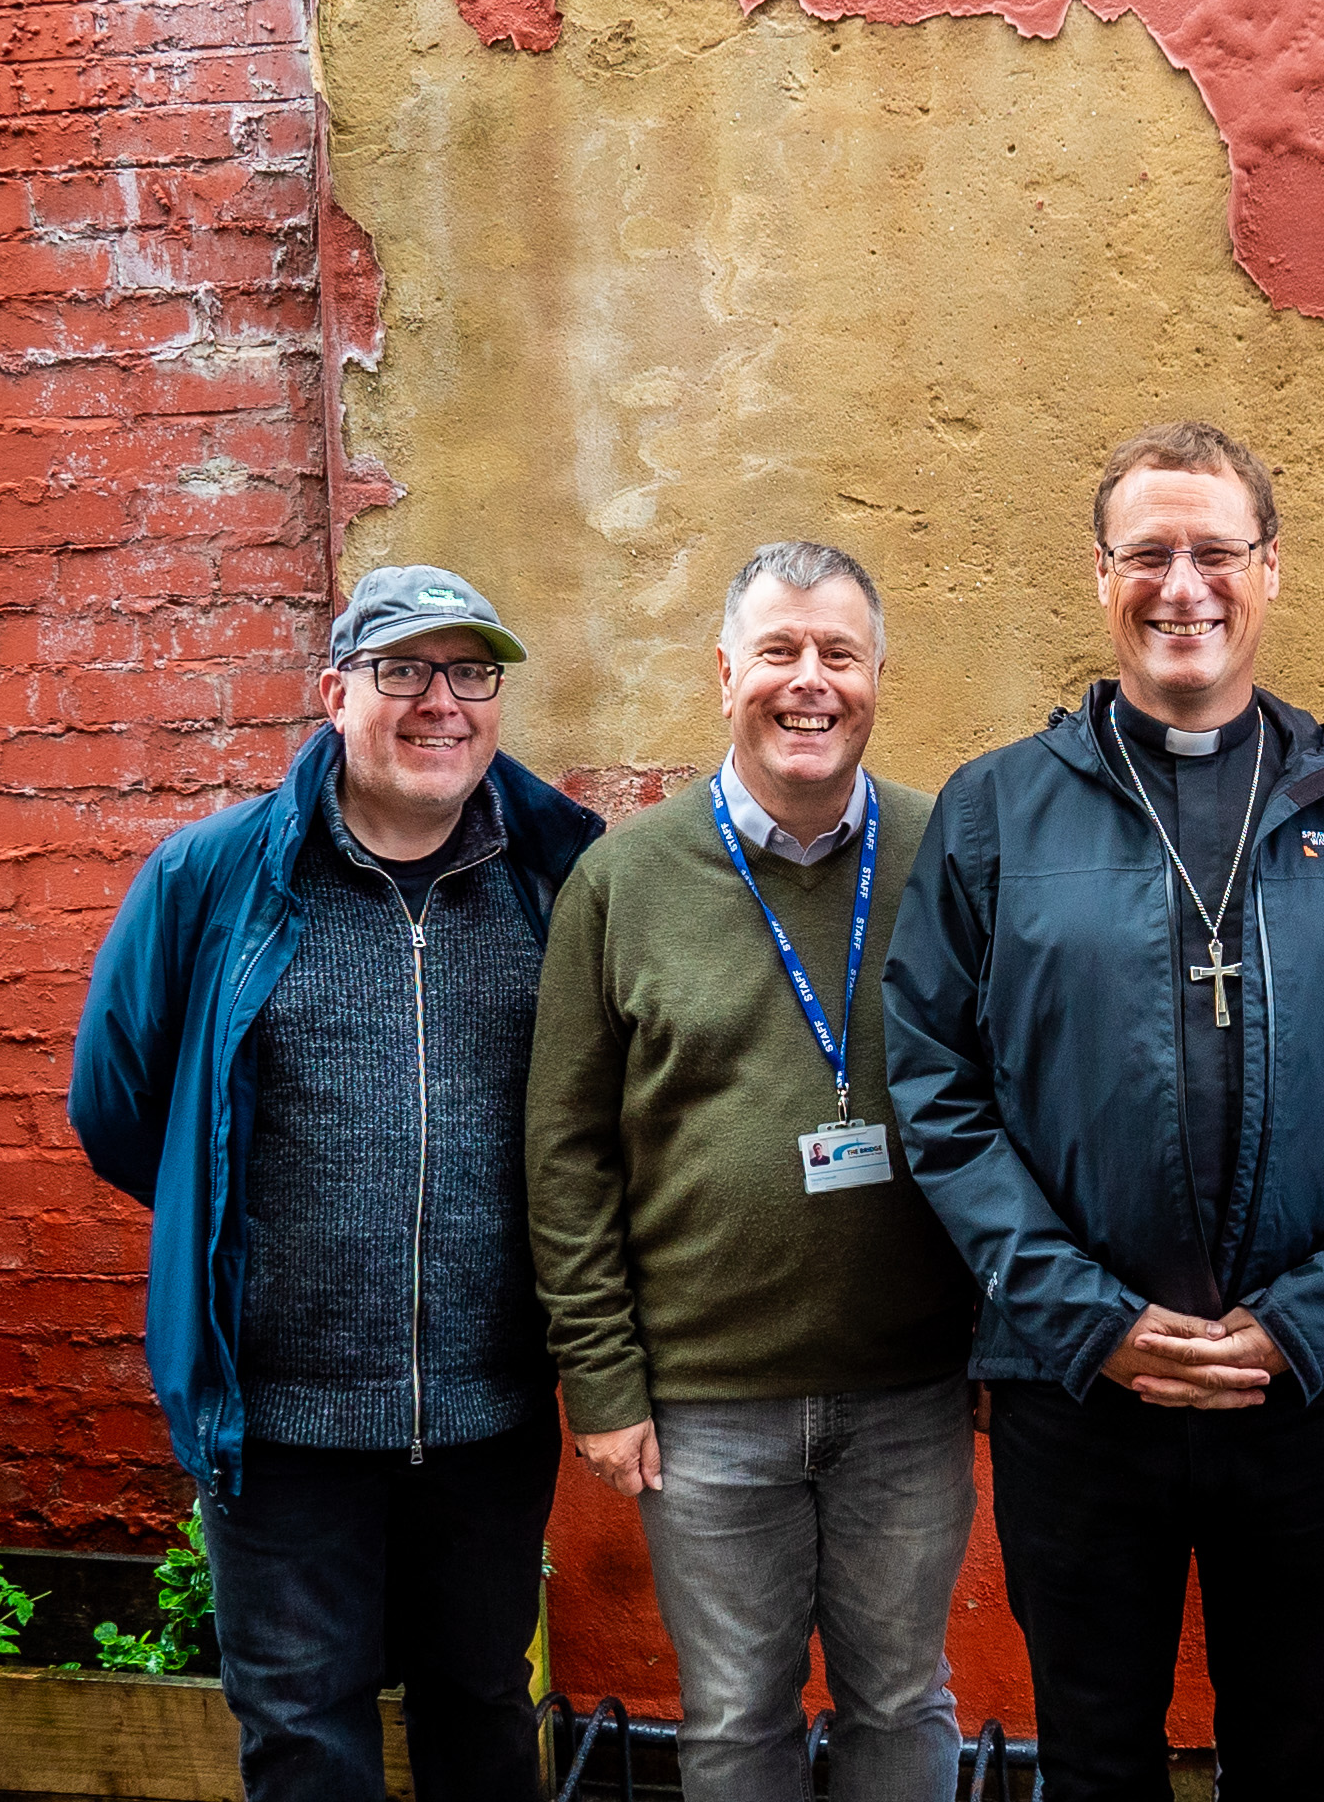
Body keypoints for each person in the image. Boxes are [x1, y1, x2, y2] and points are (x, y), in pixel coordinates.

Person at [883, 420, 1324, 1802]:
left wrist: (1312, 1319)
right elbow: (936, 1087)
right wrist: (1086, 1319)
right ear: (1101, 576)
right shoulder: (994, 814)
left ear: (1269, 570)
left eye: (1216, 551)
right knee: (1094, 1763)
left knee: (1292, 1759)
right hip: (1077, 1388)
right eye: (1148, 553)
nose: (1183, 586)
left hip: (1299, 1389)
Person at [69, 566, 604, 1801]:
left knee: (483, 1715)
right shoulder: (209, 880)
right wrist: (247, 1233)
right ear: (334, 694)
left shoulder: (557, 877)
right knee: (305, 1737)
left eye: (471, 673)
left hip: (488, 1415)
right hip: (281, 1426)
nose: (441, 703)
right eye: (402, 669)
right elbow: (120, 1108)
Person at [527, 543, 978, 1801]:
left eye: (839, 653)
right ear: (725, 673)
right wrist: (601, 1378)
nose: (809, 681)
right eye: (778, 651)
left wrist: (1006, 1340)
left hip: (910, 1391)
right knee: (733, 1720)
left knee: (904, 1700)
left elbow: (1015, 1101)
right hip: (703, 1406)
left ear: (878, 675)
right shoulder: (620, 881)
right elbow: (565, 1152)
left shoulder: (948, 856)